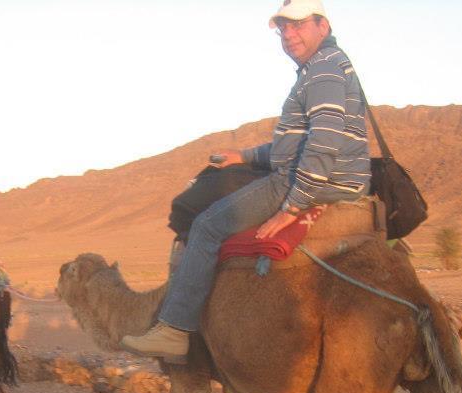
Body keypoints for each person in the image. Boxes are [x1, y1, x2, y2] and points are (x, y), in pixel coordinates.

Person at [121, 0, 370, 361]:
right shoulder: (323, 67)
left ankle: (174, 329)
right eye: (283, 27)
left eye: (297, 25)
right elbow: (295, 144)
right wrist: (247, 157)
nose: (288, 34)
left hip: (316, 180)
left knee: (207, 225)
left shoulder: (323, 70)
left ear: (322, 25)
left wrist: (293, 206)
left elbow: (323, 143)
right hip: (331, 175)